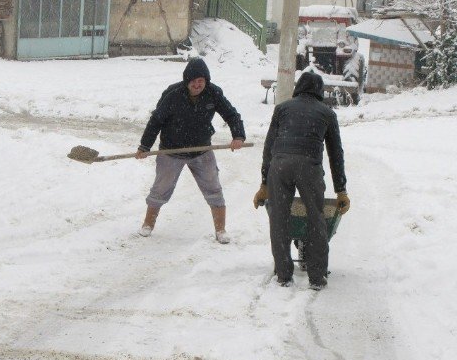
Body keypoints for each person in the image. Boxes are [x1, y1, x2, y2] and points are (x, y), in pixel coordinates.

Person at [253, 71, 350, 290]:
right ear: (319, 91)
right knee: (316, 218)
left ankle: (284, 274)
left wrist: (264, 184)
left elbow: (269, 147)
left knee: (279, 217)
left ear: (298, 88)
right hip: (309, 167)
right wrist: (341, 189)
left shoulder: (282, 108)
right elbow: (336, 154)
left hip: (279, 166)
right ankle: (317, 277)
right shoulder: (326, 113)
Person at [136, 58, 246, 243]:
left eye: (201, 81)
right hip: (171, 151)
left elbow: (231, 114)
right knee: (160, 189)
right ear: (187, 81)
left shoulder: (213, 93)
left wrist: (238, 136)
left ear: (206, 81)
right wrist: (144, 146)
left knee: (213, 188)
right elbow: (156, 121)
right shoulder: (173, 94)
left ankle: (221, 230)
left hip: (201, 150)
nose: (197, 85)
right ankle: (148, 224)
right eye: (194, 81)